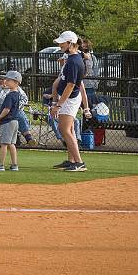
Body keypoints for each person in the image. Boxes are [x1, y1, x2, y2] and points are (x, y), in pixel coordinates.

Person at [50, 30, 90, 172]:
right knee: (69, 130)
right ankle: (72, 160)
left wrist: (58, 104)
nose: (60, 44)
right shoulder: (73, 57)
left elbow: (71, 85)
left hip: (69, 99)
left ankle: (79, 162)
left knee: (65, 129)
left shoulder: (74, 61)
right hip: (69, 98)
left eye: (62, 42)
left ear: (70, 43)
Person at [0, 73, 37, 146]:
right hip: (1, 109)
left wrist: (17, 105)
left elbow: (25, 99)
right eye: (1, 79)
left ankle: (28, 139)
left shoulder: (17, 88)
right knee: (19, 113)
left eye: (7, 80)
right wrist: (1, 89)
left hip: (15, 110)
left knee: (19, 112)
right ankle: (28, 137)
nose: (4, 81)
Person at [0, 71, 23, 171]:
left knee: (4, 144)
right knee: (12, 144)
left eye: (9, 80)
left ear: (16, 82)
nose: (6, 81)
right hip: (15, 121)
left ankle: (1, 165)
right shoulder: (17, 94)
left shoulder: (10, 95)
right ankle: (14, 165)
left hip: (8, 121)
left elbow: (7, 109)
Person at [79, 37, 99, 106]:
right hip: (80, 84)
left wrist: (95, 83)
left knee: (90, 104)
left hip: (90, 85)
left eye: (86, 46)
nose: (84, 48)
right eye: (83, 46)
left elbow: (96, 70)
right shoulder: (78, 56)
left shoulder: (92, 57)